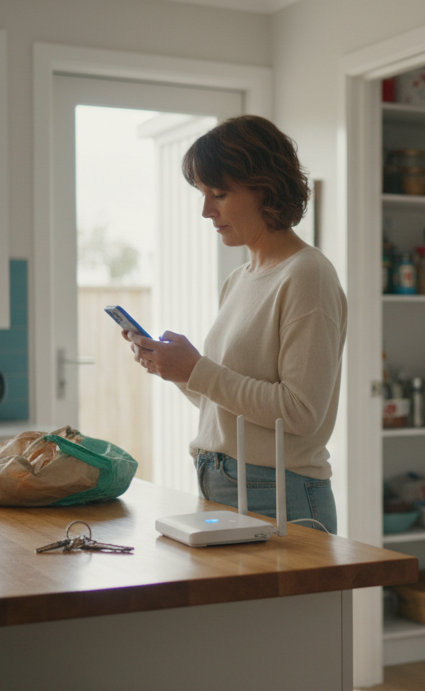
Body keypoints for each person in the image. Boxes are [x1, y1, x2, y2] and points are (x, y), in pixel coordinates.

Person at [123, 115, 346, 534]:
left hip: (279, 492)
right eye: (204, 194)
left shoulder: (308, 275)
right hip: (221, 481)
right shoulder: (238, 280)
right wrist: (174, 370)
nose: (206, 210)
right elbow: (232, 405)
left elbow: (300, 413)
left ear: (265, 188)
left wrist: (197, 369)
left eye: (219, 194)